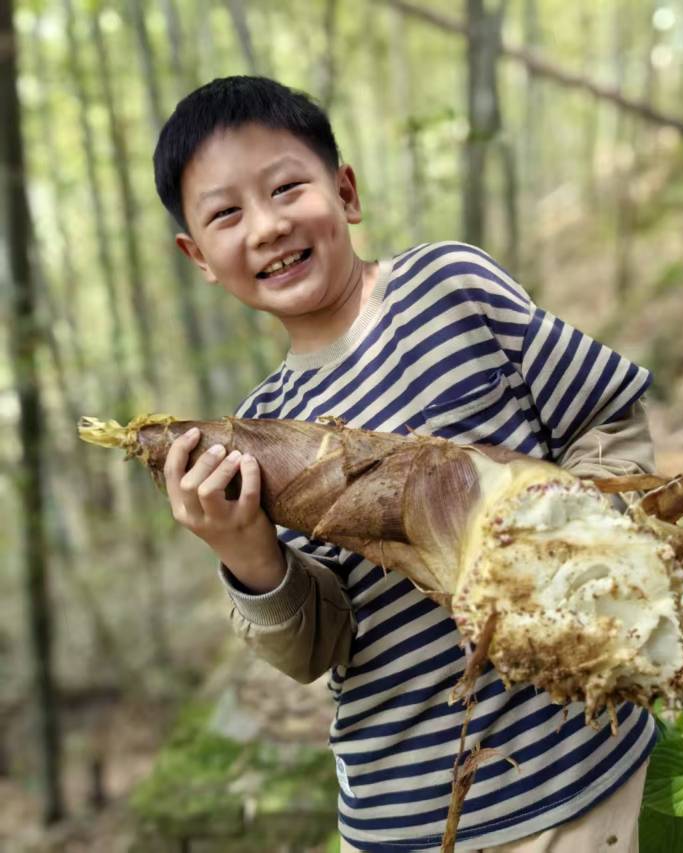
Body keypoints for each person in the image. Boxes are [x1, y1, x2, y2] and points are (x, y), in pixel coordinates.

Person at [153, 75, 657, 852]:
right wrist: (243, 550)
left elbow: (602, 412)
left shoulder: (447, 288)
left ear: (344, 190)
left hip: (583, 767)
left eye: (287, 187)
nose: (265, 225)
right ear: (199, 256)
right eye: (226, 213)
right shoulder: (258, 437)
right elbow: (316, 647)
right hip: (407, 811)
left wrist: (587, 555)